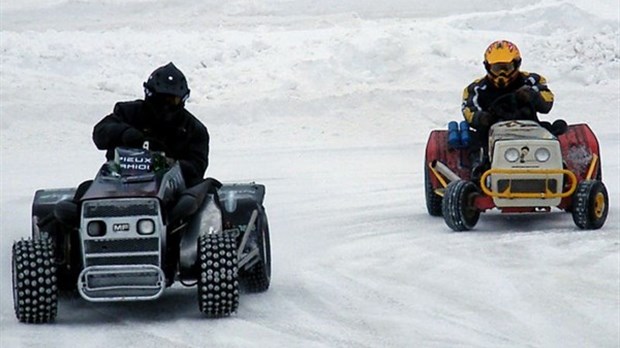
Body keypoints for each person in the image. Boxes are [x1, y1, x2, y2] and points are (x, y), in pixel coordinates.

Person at [460, 40, 566, 179]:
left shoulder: (532, 80)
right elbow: (468, 110)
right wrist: (481, 117)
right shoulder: (476, 89)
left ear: (516, 65)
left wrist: (533, 96)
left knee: (554, 132)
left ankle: (560, 171)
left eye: (507, 68)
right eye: (497, 69)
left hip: (531, 128)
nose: (502, 74)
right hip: (492, 132)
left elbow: (547, 103)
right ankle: (479, 174)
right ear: (488, 67)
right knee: (475, 144)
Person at [93, 62, 209, 187]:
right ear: (150, 94)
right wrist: (124, 133)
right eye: (161, 99)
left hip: (170, 192)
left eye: (172, 101)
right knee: (84, 191)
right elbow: (100, 133)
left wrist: (168, 163)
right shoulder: (128, 113)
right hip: (117, 184)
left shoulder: (193, 129)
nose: (166, 106)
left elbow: (197, 168)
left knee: (204, 190)